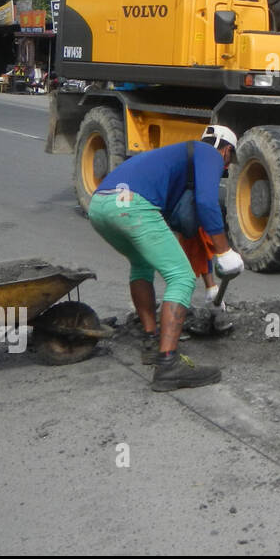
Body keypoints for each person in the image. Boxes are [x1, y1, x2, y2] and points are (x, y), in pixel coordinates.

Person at [88, 125, 243, 391]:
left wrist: (210, 283)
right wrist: (225, 252)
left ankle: (150, 341)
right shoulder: (210, 154)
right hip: (132, 205)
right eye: (230, 159)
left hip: (101, 205)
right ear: (226, 150)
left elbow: (185, 226)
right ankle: (168, 365)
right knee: (181, 277)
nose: (226, 167)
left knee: (141, 265)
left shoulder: (179, 158)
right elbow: (207, 203)